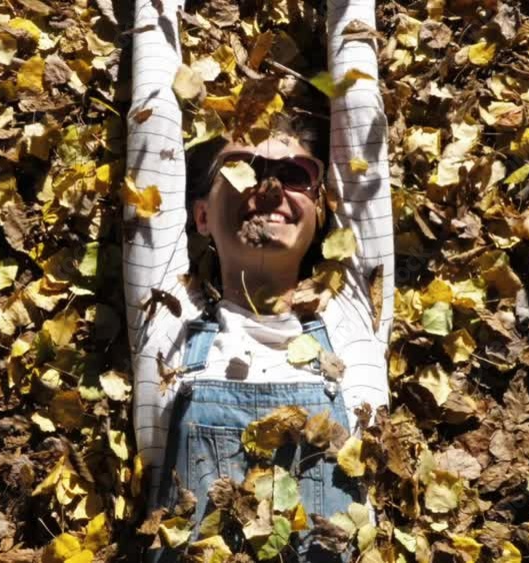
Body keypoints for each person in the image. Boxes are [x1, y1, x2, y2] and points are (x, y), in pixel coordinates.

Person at [122, 0, 394, 559]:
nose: (268, 188)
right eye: (242, 170)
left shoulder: (354, 315)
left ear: (322, 213)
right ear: (200, 216)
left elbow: (363, 123)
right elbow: (152, 136)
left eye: (293, 176)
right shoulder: (166, 319)